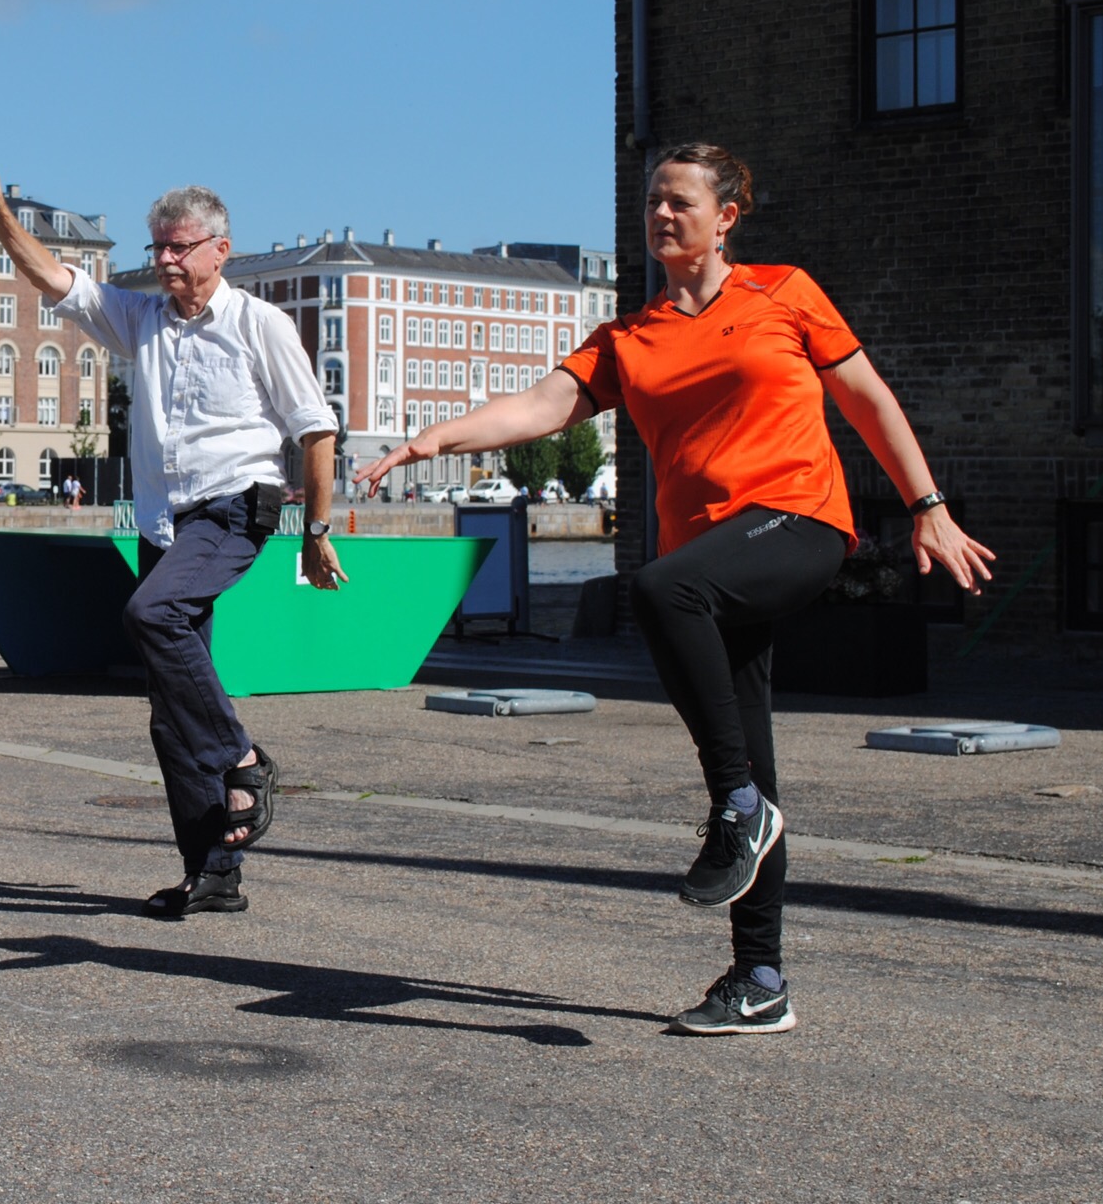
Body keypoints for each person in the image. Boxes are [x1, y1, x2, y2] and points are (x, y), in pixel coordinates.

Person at [357, 141, 992, 1034]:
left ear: (724, 217)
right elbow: (538, 407)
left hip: (798, 521)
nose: (659, 214)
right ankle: (759, 976)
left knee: (659, 594)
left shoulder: (783, 293)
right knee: (748, 754)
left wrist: (926, 506)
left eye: (678, 201)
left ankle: (737, 805)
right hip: (712, 561)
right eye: (651, 200)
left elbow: (867, 399)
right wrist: (433, 440)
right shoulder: (630, 337)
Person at [0, 166, 345, 918]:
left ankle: (243, 757)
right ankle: (213, 872)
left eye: (179, 247)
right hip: (164, 520)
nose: (164, 259)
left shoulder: (258, 324)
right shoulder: (141, 320)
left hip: (235, 506)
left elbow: (315, 430)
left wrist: (316, 532)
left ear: (220, 249)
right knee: (169, 708)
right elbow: (51, 276)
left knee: (151, 614)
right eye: (157, 247)